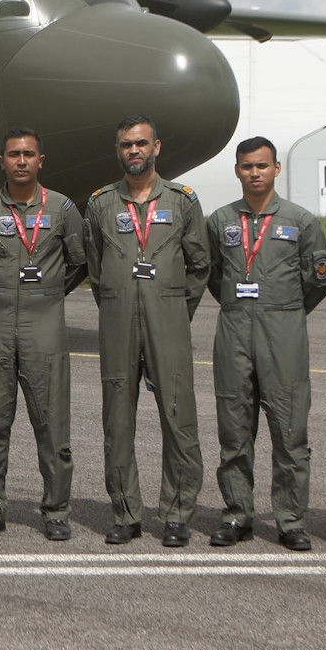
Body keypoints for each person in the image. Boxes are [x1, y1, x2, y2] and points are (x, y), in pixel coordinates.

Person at [84, 115, 208, 546]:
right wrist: (119, 303)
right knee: (118, 421)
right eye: (125, 145)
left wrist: (172, 307)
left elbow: (200, 264)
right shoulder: (100, 203)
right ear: (117, 151)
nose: (133, 151)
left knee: (178, 418)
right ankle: (125, 511)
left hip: (167, 321)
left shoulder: (182, 200)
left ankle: (176, 513)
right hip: (118, 322)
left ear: (157, 147)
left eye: (140, 143)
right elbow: (96, 270)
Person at [203, 138, 326, 550]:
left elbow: (318, 280)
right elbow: (213, 274)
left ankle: (291, 519)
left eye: (262, 165)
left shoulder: (301, 220)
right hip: (235, 327)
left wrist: (287, 311)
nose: (254, 173)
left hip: (284, 330)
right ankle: (237, 513)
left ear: (277, 168)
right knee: (234, 427)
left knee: (289, 428)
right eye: (246, 166)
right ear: (237, 171)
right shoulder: (220, 220)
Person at [0, 126, 88, 541]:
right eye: (13, 154)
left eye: (28, 154)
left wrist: (48, 295)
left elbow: (78, 262)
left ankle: (55, 510)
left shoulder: (64, 209)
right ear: (2, 161)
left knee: (52, 423)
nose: (21, 161)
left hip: (45, 321)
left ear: (40, 161)